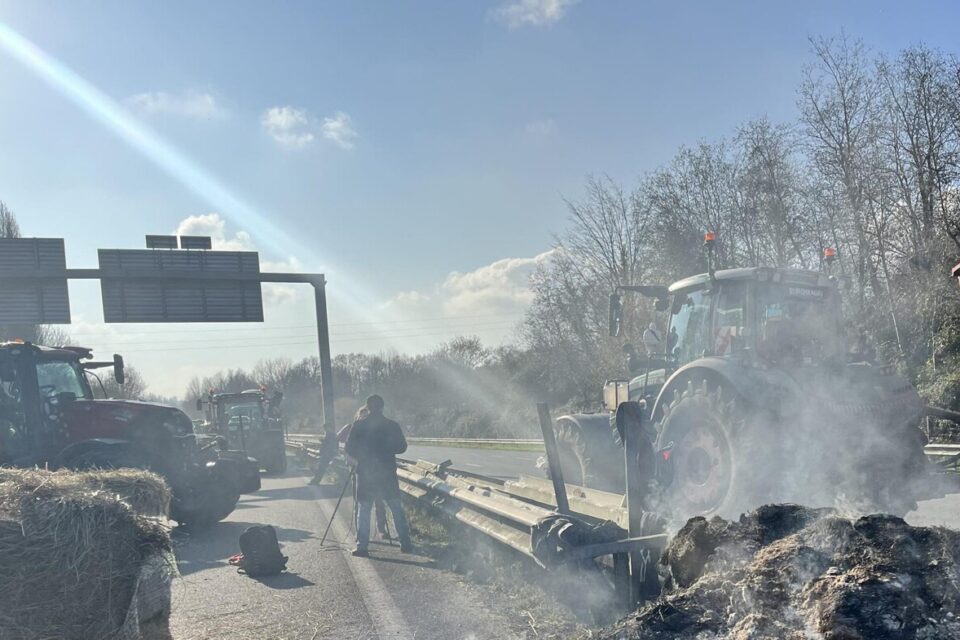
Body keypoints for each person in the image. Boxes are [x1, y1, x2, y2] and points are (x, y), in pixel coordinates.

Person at [344, 394, 411, 556]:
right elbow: (402, 447)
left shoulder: (359, 425)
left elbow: (348, 448)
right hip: (387, 472)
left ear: (368, 407)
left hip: (366, 473)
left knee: (365, 509)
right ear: (382, 406)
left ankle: (362, 546)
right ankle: (405, 543)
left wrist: (361, 457)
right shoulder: (392, 425)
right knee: (396, 508)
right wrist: (387, 449)